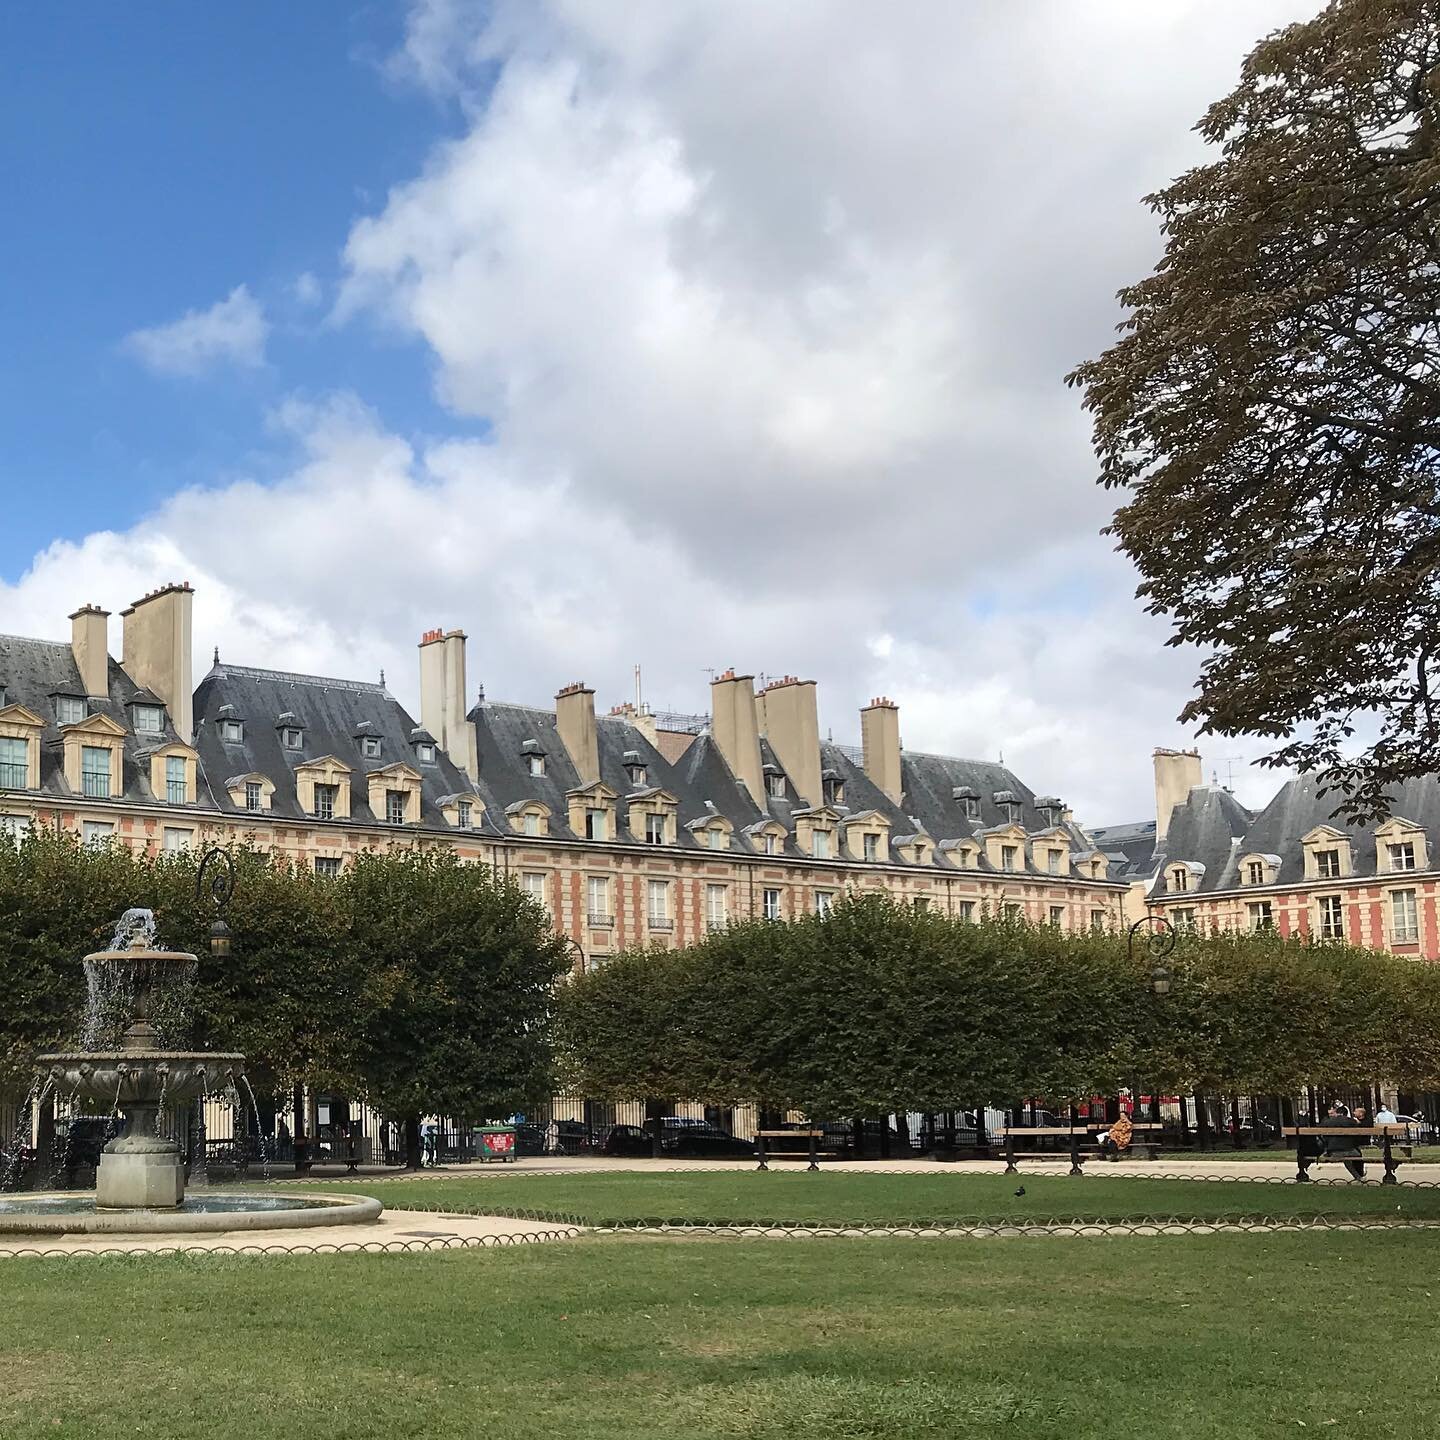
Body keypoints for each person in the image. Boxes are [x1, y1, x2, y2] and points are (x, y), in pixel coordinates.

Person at [1320, 1102, 1366, 1181]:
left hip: (1333, 1152)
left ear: (1337, 1113)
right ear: (1345, 1113)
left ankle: (1358, 1177)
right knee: (1358, 1154)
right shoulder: (1351, 1121)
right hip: (1349, 1151)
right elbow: (1358, 1134)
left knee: (1347, 1160)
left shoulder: (1327, 1122)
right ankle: (1360, 1175)